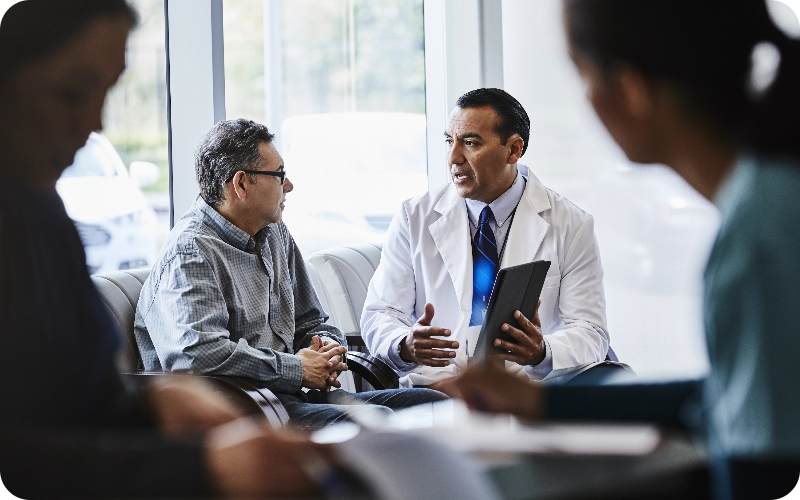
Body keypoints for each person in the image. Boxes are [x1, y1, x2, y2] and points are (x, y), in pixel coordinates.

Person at [441, 1, 800, 498]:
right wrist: (542, 403)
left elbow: (765, 470)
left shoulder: (760, 239)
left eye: (583, 77)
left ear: (629, 92)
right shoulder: (771, 197)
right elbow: (728, 398)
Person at [0, 1, 338, 497]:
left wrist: (153, 401)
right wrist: (200, 466)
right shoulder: (189, 250)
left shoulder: (43, 218)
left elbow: (84, 401)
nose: (95, 123)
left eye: (106, 93)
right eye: (73, 92)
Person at [135, 118, 448, 429]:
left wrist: (325, 349)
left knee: (436, 406)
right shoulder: (190, 252)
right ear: (241, 183)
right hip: (239, 416)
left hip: (289, 399)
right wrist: (296, 369)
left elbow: (312, 321)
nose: (289, 185)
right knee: (377, 425)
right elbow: (197, 356)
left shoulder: (274, 232)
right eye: (279, 175)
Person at [362, 88, 612, 387]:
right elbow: (381, 312)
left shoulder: (571, 224)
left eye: (470, 143)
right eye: (449, 141)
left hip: (527, 392)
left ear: (514, 150)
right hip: (438, 389)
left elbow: (590, 331)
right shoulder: (414, 216)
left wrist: (541, 351)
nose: (454, 157)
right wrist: (405, 344)